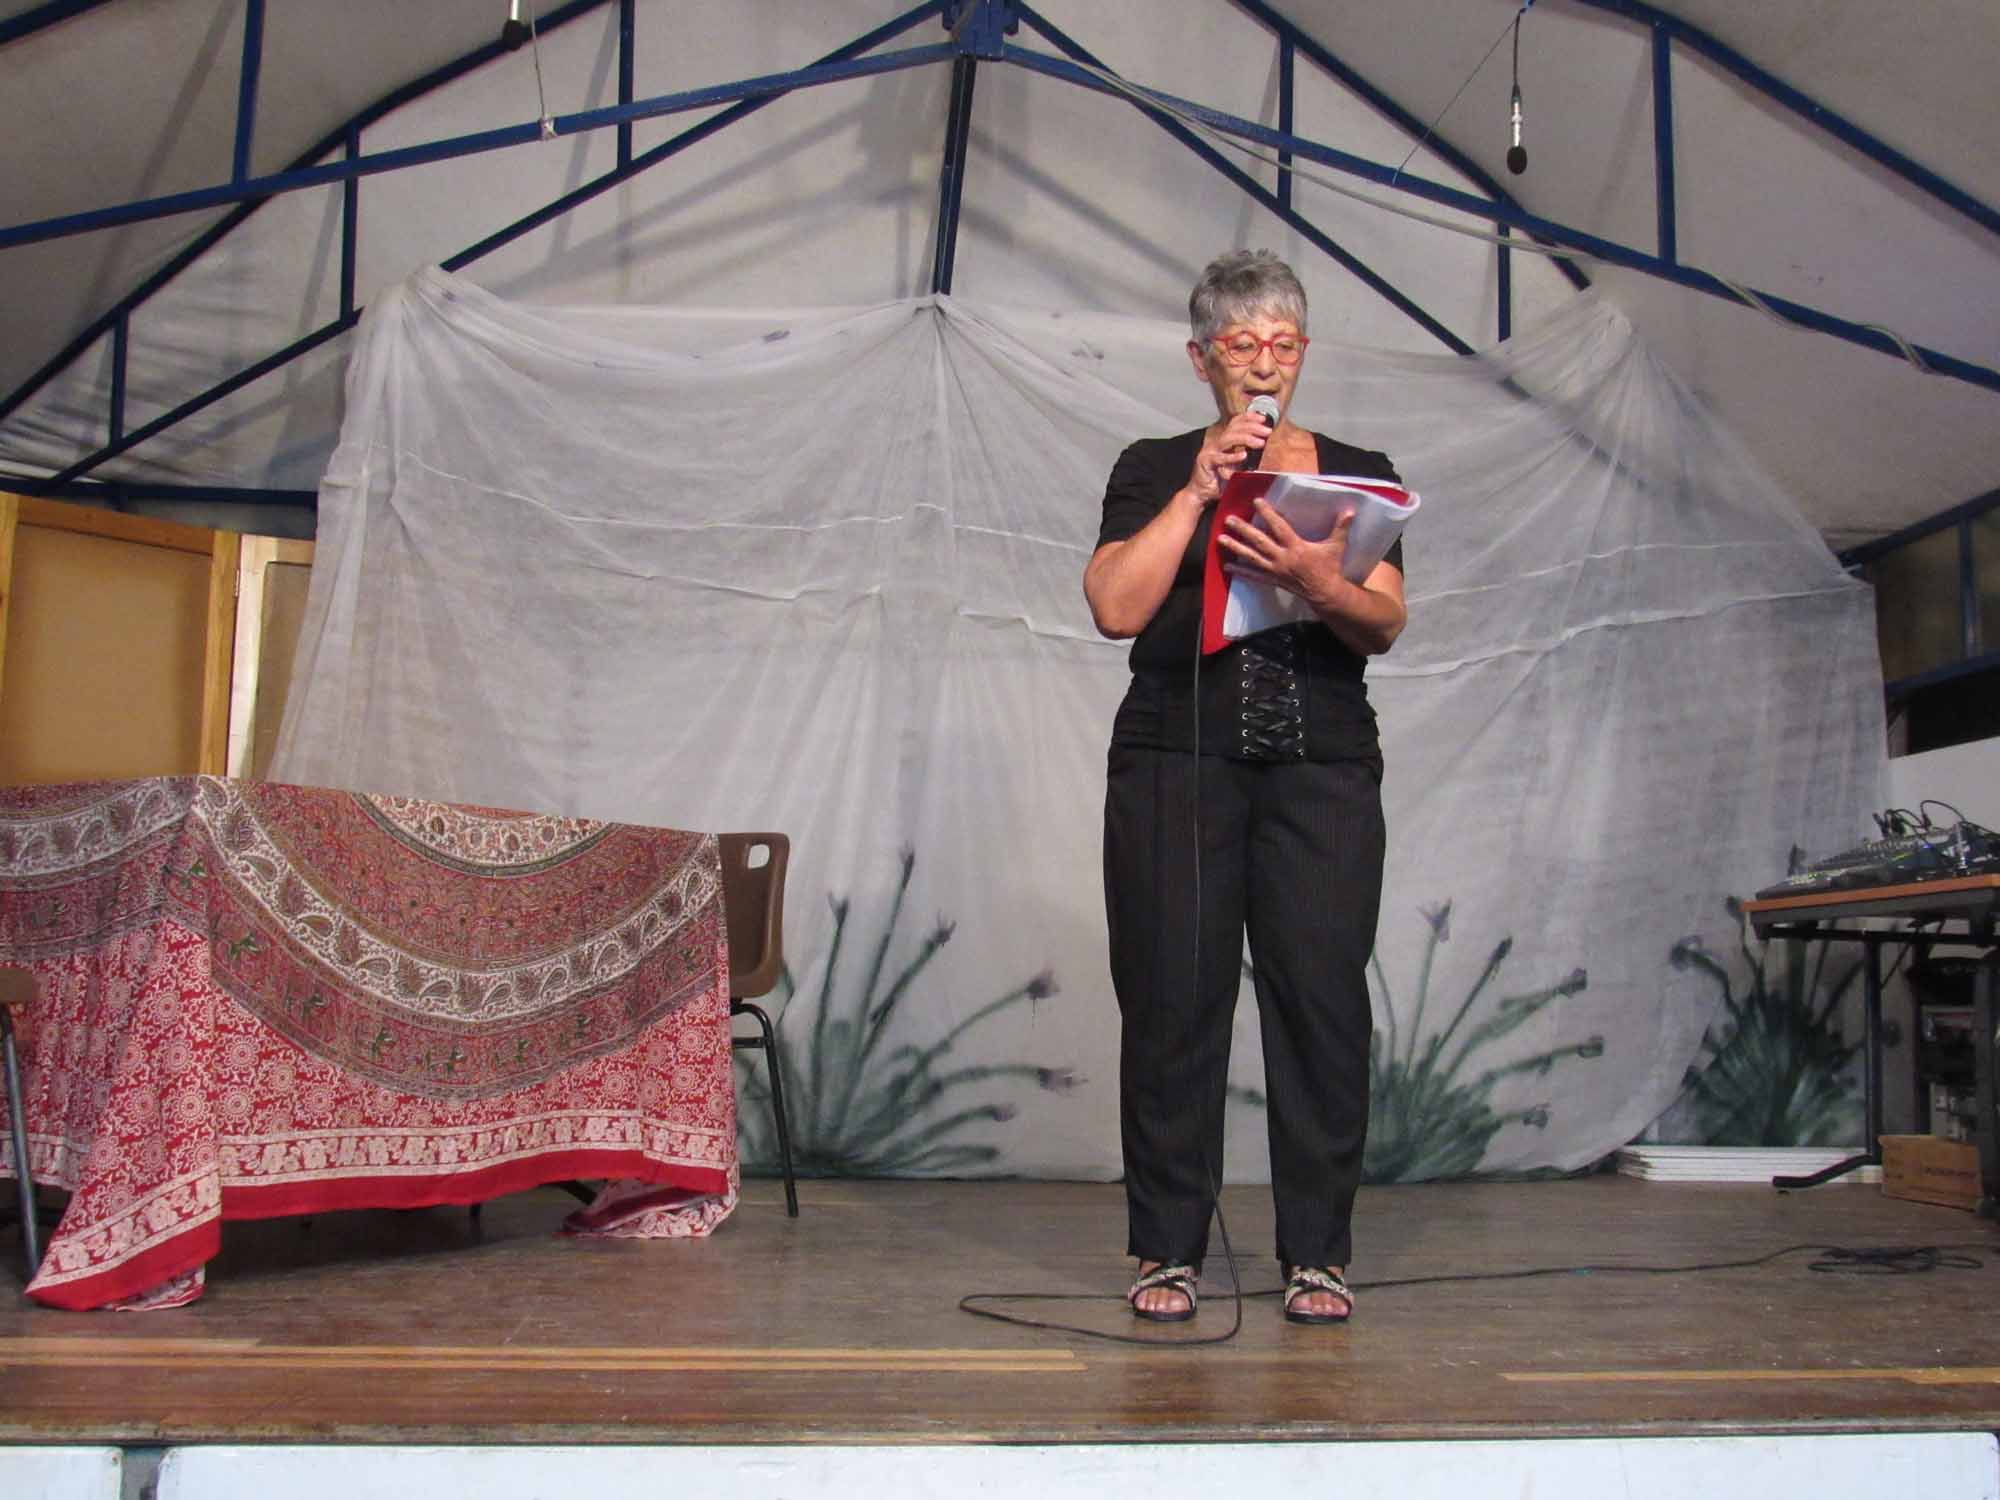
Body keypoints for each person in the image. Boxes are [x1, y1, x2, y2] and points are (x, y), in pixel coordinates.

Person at [1082, 249, 1407, 1326]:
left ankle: (1317, 1254)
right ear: (1201, 359)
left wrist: (1320, 581)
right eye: (1240, 345)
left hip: (1320, 766)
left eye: (1282, 344)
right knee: (1172, 1000)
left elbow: (1386, 620)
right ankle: (1167, 1249)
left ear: (1302, 352)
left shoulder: (1357, 471)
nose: (1264, 364)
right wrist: (1196, 491)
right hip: (1178, 760)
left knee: (1320, 1003)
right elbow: (1115, 608)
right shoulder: (1153, 464)